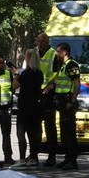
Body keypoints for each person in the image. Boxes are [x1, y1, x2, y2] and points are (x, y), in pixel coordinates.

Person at [54, 42, 82, 170]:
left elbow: (77, 84)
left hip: (67, 101)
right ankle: (67, 158)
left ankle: (72, 160)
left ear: (65, 52)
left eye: (58, 51)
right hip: (62, 101)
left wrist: (72, 101)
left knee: (70, 132)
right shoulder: (63, 65)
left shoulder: (71, 64)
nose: (57, 53)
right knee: (64, 132)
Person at [33, 32, 58, 165]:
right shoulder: (34, 52)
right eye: (38, 41)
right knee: (35, 126)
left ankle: (52, 156)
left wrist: (49, 86)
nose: (40, 44)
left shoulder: (53, 54)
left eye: (43, 41)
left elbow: (57, 73)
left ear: (47, 41)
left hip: (48, 93)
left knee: (50, 126)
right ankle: (34, 156)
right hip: (35, 93)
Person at [17, 49, 44, 165]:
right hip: (36, 106)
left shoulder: (26, 73)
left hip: (24, 107)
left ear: (29, 58)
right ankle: (33, 157)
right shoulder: (39, 73)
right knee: (33, 133)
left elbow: (16, 85)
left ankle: (22, 159)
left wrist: (15, 74)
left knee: (21, 133)